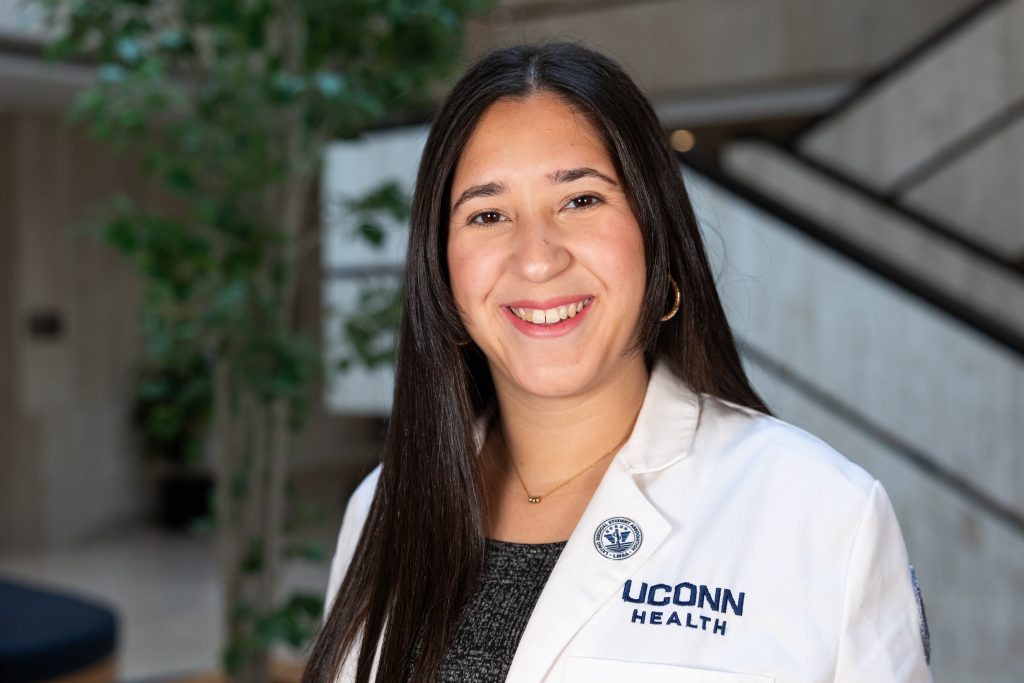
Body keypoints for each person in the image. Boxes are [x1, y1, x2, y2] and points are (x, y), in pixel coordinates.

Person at [303, 42, 932, 683]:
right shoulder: (384, 506)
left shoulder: (823, 514)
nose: (537, 258)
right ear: (441, 269)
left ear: (655, 234)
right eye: (488, 214)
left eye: (580, 200)